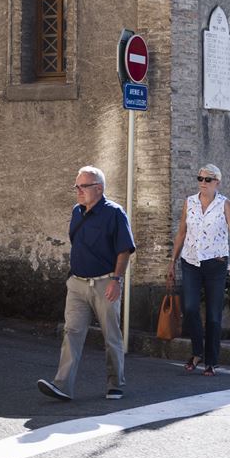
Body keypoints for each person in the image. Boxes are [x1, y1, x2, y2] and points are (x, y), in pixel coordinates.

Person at [37, 166, 135, 401]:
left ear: (99, 189)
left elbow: (124, 251)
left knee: (111, 335)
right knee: (72, 332)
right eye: (76, 186)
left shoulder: (115, 213)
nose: (78, 191)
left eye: (83, 186)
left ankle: (115, 384)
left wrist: (116, 280)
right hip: (77, 284)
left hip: (105, 283)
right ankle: (62, 385)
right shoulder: (77, 212)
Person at [167, 164, 230, 376]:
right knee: (190, 308)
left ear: (217, 182)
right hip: (190, 262)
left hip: (215, 264)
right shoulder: (189, 202)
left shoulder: (224, 204)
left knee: (213, 315)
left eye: (207, 179)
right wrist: (172, 262)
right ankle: (197, 352)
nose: (202, 182)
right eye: (199, 178)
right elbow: (181, 233)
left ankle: (211, 360)